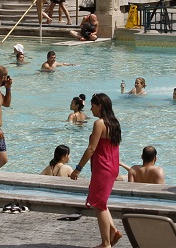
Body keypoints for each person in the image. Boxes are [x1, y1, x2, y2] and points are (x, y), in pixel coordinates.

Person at [71, 93, 122, 248]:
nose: (91, 108)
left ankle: (105, 243)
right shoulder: (114, 123)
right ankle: (113, 231)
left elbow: (91, 148)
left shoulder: (99, 124)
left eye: (93, 105)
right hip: (112, 166)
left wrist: (78, 169)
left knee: (99, 205)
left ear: (100, 106)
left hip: (102, 168)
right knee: (101, 202)